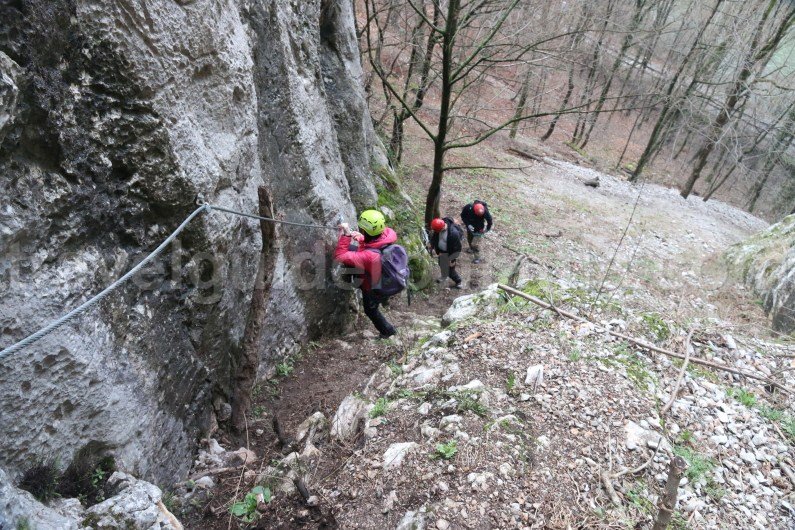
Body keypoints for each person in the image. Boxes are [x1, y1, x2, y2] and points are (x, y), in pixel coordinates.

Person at [334, 209, 397, 338]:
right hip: (381, 277)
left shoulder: (369, 256)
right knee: (352, 249)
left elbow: (340, 255)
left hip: (373, 287)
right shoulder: (385, 236)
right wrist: (362, 238)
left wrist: (346, 236)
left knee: (370, 309)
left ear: (364, 230)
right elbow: (375, 244)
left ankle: (388, 331)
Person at [429, 217, 463, 289]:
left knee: (450, 270)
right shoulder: (438, 228)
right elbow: (435, 238)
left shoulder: (453, 234)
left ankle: (458, 281)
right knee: (441, 264)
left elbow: (457, 248)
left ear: (442, 228)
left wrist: (452, 260)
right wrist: (432, 246)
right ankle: (444, 276)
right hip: (442, 252)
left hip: (450, 253)